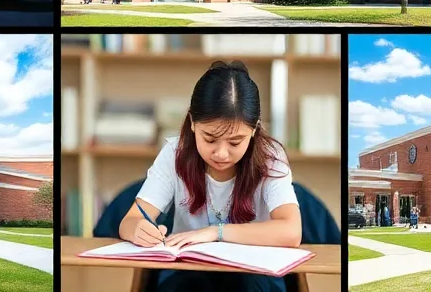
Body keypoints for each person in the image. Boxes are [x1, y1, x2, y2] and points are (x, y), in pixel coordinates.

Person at [119, 61, 301, 292]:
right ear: (193, 123)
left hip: (254, 274)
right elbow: (130, 221)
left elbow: (291, 231)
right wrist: (138, 229)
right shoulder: (174, 154)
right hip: (188, 273)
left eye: (236, 142)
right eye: (210, 139)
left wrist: (216, 232)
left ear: (254, 129)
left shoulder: (270, 157)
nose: (221, 154)